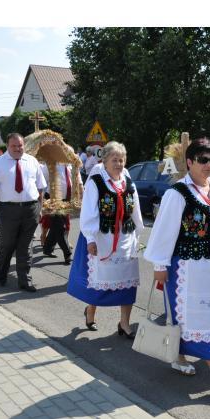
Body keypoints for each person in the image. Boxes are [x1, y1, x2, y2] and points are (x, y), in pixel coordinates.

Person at [143, 137, 210, 394]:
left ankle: (179, 355)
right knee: (189, 315)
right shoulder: (178, 193)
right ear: (189, 162)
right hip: (189, 267)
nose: (208, 165)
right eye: (203, 160)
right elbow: (164, 230)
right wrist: (160, 264)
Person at [67, 141, 144, 338]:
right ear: (105, 161)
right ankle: (91, 311)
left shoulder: (128, 181)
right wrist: (90, 239)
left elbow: (135, 209)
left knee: (128, 284)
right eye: (114, 160)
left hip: (126, 239)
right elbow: (88, 212)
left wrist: (138, 234)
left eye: (121, 160)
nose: (118, 164)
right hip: (104, 238)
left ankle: (124, 323)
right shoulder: (96, 182)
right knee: (99, 282)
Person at [0, 133, 47, 291]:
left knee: (26, 246)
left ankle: (25, 280)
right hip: (8, 209)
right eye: (14, 146)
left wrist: (40, 208)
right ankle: (2, 274)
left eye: (20, 145)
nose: (18, 148)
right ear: (7, 146)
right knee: (7, 244)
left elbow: (40, 187)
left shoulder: (32, 161)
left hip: (30, 209)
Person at [39, 159, 84, 264]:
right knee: (60, 227)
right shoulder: (51, 164)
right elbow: (41, 182)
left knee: (56, 226)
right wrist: (42, 201)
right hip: (53, 199)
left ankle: (47, 249)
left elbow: (79, 183)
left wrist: (82, 196)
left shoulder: (73, 166)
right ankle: (67, 253)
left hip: (67, 200)